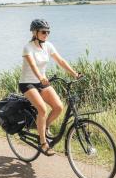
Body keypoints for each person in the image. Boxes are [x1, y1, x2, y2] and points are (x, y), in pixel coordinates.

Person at [19, 19, 80, 156]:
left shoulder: (48, 46)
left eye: (48, 32)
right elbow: (33, 65)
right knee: (42, 109)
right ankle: (43, 142)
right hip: (28, 83)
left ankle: (43, 127)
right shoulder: (27, 48)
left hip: (42, 83)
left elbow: (60, 61)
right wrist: (40, 77)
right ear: (35, 32)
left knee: (58, 107)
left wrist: (74, 74)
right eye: (43, 32)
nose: (46, 34)